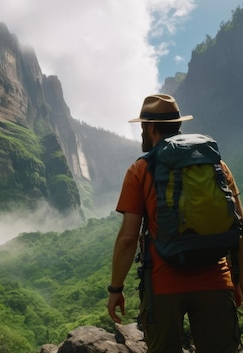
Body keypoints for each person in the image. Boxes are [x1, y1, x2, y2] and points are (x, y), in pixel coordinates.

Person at [106, 94, 243, 352]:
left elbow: (127, 238)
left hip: (164, 284)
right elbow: (239, 226)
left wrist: (116, 288)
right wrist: (238, 280)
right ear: (177, 124)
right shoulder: (217, 164)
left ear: (150, 127)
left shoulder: (140, 170)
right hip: (217, 280)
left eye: (142, 127)